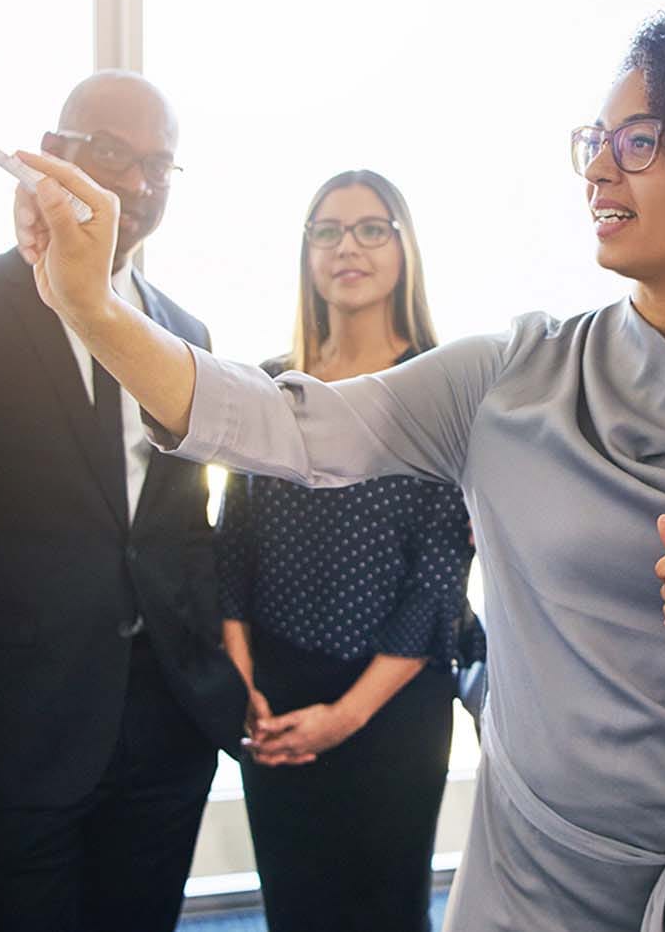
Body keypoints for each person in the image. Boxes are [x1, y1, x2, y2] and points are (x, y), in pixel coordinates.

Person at [11, 0, 665, 931]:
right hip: (538, 885)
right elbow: (275, 424)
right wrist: (96, 312)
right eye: (592, 140)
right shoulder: (507, 379)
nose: (597, 169)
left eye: (636, 142)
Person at [0, 71, 244, 932]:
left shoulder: (188, 334)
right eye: (114, 154)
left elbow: (181, 527)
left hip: (166, 728)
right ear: (56, 152)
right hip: (22, 734)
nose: (139, 185)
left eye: (160, 166)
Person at [217, 169, 480, 930]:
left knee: (385, 910)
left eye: (372, 228)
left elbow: (438, 579)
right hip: (275, 690)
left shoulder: (442, 389)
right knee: (294, 906)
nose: (347, 247)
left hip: (393, 702)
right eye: (327, 230)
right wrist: (243, 685)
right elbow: (233, 542)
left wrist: (345, 717)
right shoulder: (272, 386)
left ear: (404, 248)